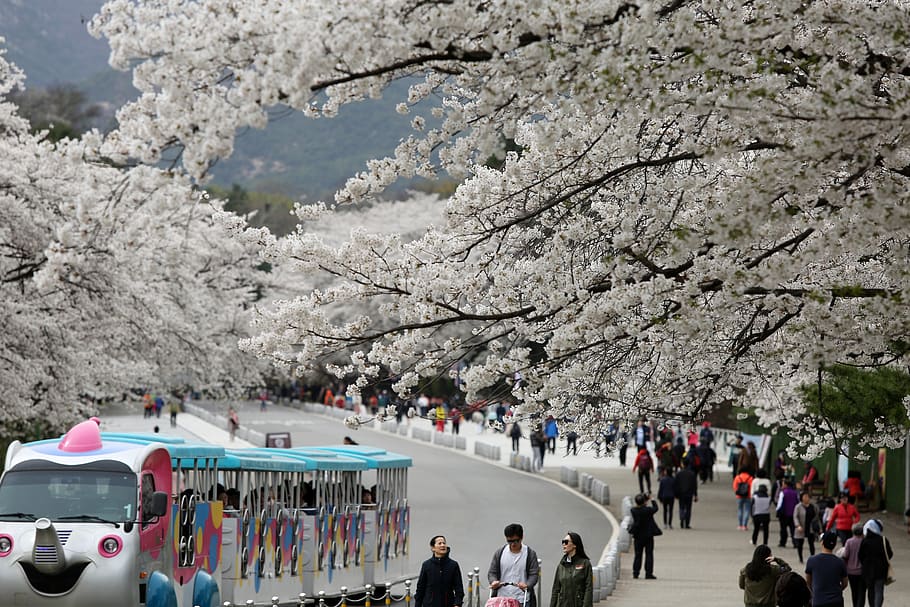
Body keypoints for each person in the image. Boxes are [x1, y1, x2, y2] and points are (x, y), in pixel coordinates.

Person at [487, 523, 540, 607]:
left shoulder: (530, 554)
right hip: (502, 599)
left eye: (516, 541)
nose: (513, 544)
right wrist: (493, 581)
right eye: (509, 541)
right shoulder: (500, 553)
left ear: (521, 537)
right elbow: (492, 572)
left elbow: (534, 574)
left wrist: (527, 585)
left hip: (522, 599)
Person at [415, 535, 464, 607]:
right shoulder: (426, 565)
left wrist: (457, 604)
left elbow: (458, 588)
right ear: (433, 548)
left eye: (444, 543)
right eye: (439, 543)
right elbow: (420, 588)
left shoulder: (453, 565)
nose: (443, 545)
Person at [550, 532, 593, 607]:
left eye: (566, 542)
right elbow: (555, 590)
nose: (563, 544)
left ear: (575, 545)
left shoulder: (585, 564)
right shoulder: (561, 565)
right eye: (563, 542)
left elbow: (589, 589)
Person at [805, 532, 848, 607]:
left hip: (819, 600)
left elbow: (808, 582)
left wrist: (815, 592)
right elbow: (845, 583)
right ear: (834, 545)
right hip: (836, 601)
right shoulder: (840, 562)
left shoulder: (812, 560)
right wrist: (837, 590)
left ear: (822, 542)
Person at [857, 519, 893, 607]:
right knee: (879, 590)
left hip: (867, 571)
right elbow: (890, 554)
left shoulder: (865, 541)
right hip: (881, 570)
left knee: (871, 590)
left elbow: (860, 555)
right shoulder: (883, 540)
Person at [629, 493, 660, 579]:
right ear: (645, 502)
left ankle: (636, 573)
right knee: (649, 554)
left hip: (638, 536)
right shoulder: (648, 510)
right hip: (648, 535)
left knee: (638, 554)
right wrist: (652, 499)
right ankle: (648, 573)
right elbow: (656, 508)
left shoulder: (633, 511)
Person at [840, 523, 865, 607]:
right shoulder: (864, 541)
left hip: (851, 572)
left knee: (854, 591)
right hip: (862, 571)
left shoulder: (849, 541)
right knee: (862, 592)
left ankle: (855, 605)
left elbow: (845, 555)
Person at [793, 491, 820, 564]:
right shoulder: (798, 507)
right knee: (800, 544)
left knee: (811, 543)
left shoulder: (813, 506)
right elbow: (795, 517)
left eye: (807, 496)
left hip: (810, 527)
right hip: (801, 527)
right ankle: (800, 558)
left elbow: (817, 516)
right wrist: (798, 525)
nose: (806, 498)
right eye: (805, 496)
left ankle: (812, 557)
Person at [674, 462, 698, 529]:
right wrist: (695, 495)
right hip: (689, 494)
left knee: (681, 507)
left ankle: (682, 520)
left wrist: (676, 494)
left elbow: (676, 484)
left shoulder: (679, 474)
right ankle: (687, 523)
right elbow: (694, 485)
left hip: (681, 494)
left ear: (683, 465)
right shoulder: (692, 474)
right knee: (688, 509)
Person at [777, 481, 799, 548]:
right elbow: (797, 502)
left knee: (783, 529)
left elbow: (780, 503)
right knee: (793, 529)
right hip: (793, 513)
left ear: (786, 485)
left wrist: (778, 511)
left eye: (783, 484)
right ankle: (795, 542)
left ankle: (783, 542)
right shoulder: (795, 493)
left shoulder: (783, 493)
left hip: (784, 513)